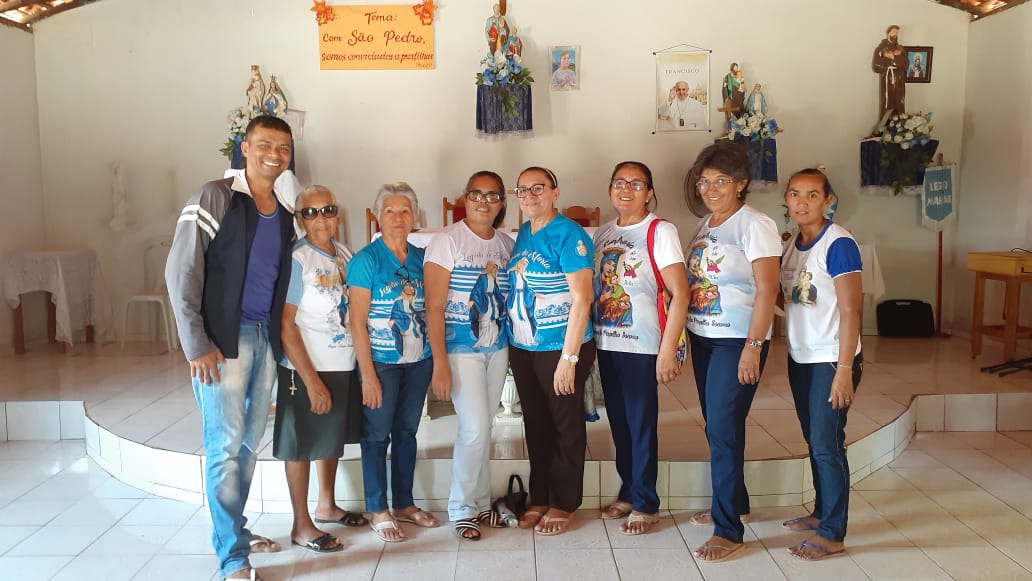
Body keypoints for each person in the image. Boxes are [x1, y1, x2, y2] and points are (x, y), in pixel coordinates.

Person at [165, 115, 298, 581]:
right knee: (224, 446)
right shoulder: (216, 196)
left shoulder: (283, 213)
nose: (274, 155)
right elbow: (181, 270)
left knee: (246, 445)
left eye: (283, 148)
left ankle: (234, 532)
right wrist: (196, 343)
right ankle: (233, 559)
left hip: (263, 339)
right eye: (265, 145)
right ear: (245, 147)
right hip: (223, 342)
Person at [681, 140, 781, 562]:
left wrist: (753, 347)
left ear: (741, 183)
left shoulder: (755, 224)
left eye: (720, 181)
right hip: (704, 336)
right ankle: (734, 503)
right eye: (704, 181)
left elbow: (768, 289)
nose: (710, 189)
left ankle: (728, 531)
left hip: (737, 339)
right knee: (719, 426)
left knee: (722, 429)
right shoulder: (705, 224)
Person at [593, 162, 689, 535]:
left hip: (643, 345)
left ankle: (646, 502)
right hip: (608, 341)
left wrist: (667, 350)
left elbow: (681, 293)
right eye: (620, 182)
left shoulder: (660, 230)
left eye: (636, 184)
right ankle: (629, 490)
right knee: (619, 422)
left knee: (641, 424)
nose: (626, 189)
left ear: (649, 192)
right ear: (610, 188)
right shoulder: (604, 232)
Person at [275, 185, 368, 555]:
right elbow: (286, 325)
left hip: (341, 363)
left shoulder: (344, 254)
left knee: (330, 437)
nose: (320, 218)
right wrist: (311, 381)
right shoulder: (298, 259)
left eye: (327, 210)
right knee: (300, 445)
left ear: (337, 214)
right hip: (306, 367)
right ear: (300, 219)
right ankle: (301, 525)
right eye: (310, 212)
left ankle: (326, 505)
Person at [424, 171, 514, 541]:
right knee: (474, 428)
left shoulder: (506, 244)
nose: (484, 201)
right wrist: (439, 362)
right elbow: (433, 306)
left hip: (497, 346)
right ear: (465, 198)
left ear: (502, 201)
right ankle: (461, 507)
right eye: (476, 194)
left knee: (484, 427)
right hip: (461, 349)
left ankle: (480, 502)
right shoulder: (447, 241)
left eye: (492, 195)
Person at [779, 169, 863, 561]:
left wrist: (844, 371)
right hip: (802, 357)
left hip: (831, 359)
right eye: (795, 194)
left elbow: (851, 310)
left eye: (812, 195)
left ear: (828, 200)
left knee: (828, 444)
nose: (802, 202)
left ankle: (833, 532)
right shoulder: (791, 246)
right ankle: (820, 512)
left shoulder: (838, 242)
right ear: (786, 199)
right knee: (815, 439)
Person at [507, 166, 596, 536]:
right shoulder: (524, 232)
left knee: (565, 425)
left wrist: (569, 360)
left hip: (562, 347)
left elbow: (583, 298)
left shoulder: (570, 235)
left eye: (538, 188)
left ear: (555, 193)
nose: (529, 196)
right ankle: (540, 495)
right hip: (524, 345)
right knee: (536, 423)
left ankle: (563, 501)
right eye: (522, 189)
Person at [348, 182, 438, 543]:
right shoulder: (366, 261)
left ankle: (404, 503)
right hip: (381, 363)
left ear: (414, 216)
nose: (398, 217)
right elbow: (356, 322)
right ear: (378, 217)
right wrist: (368, 375)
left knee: (406, 432)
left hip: (419, 361)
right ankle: (377, 508)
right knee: (376, 434)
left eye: (405, 211)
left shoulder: (422, 258)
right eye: (390, 211)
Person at [872, 25, 907, 121]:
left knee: (899, 97)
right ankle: (887, 120)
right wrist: (892, 61)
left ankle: (899, 116)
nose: (895, 35)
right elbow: (876, 66)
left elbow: (905, 64)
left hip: (899, 78)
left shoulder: (900, 49)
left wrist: (892, 57)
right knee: (888, 98)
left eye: (897, 33)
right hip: (887, 78)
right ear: (888, 33)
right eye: (893, 33)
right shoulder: (880, 49)